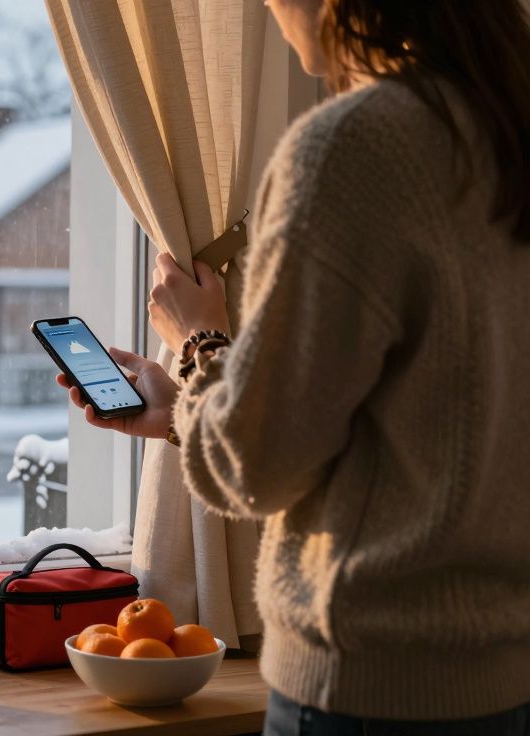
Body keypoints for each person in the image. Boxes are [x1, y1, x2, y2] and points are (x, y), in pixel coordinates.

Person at [59, 0, 530, 732]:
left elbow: (254, 465)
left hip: (369, 689)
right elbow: (427, 430)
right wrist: (187, 408)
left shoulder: (355, 148)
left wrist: (198, 342)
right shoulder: (505, 132)